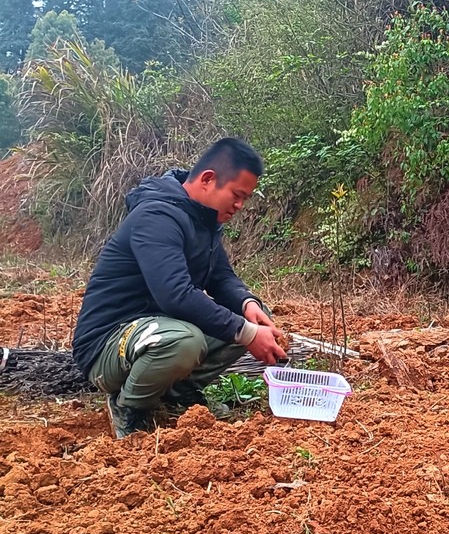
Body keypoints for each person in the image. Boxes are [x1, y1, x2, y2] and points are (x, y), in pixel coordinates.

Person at [72, 138, 288, 438]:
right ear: (208, 179)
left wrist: (248, 305)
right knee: (187, 340)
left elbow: (222, 278)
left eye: (245, 199)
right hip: (108, 344)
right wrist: (247, 333)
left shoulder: (202, 221)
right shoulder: (157, 216)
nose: (240, 206)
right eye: (237, 195)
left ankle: (178, 393)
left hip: (156, 330)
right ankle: (130, 406)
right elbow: (174, 294)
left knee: (250, 316)